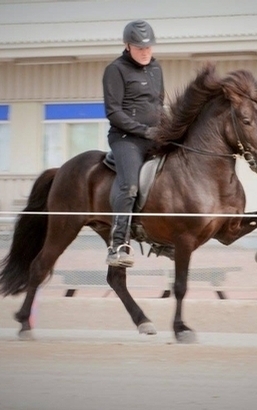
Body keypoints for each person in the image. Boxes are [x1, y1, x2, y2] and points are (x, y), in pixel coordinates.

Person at [103, 19, 164, 267]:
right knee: (129, 185)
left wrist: (168, 130)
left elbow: (159, 104)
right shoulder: (115, 70)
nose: (145, 52)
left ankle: (164, 240)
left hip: (154, 136)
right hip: (126, 139)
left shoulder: (156, 68)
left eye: (148, 47)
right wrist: (144, 131)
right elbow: (113, 112)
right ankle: (118, 245)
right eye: (140, 47)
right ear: (127, 45)